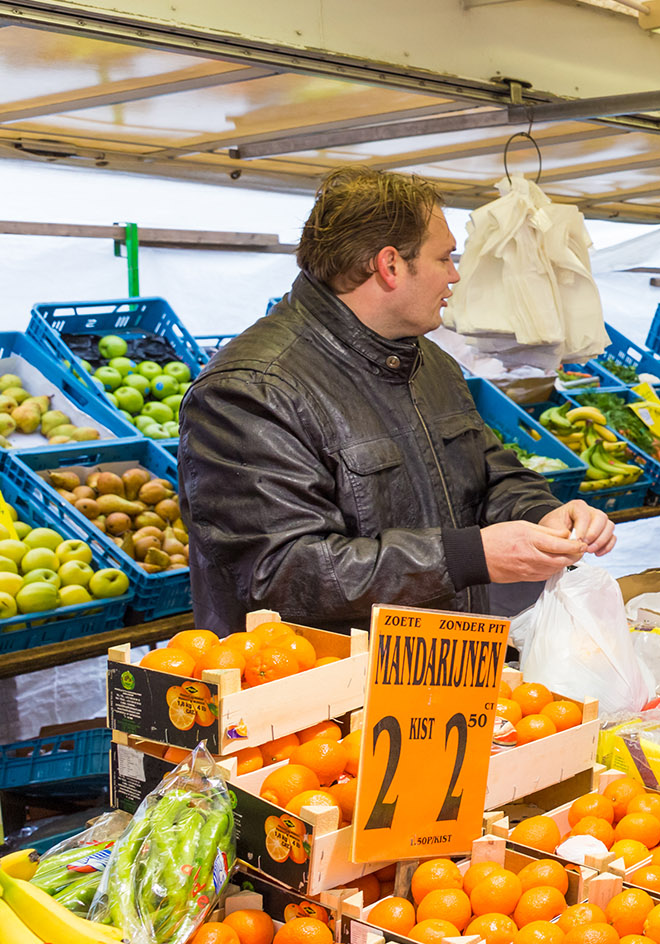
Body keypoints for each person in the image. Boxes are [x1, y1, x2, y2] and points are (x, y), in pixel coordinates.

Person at [178, 166, 615, 636]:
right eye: (444, 258)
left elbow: (491, 476)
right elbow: (280, 572)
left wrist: (540, 514)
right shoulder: (249, 391)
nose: (456, 275)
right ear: (389, 265)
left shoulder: (430, 364)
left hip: (438, 666)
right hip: (321, 690)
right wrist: (470, 556)